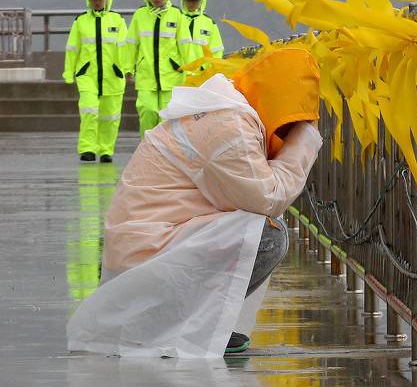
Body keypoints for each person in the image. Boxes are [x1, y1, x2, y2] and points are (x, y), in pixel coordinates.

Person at [67, 47, 323, 357]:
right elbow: (267, 199)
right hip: (147, 258)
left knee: (262, 229)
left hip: (142, 250)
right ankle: (180, 325)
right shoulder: (228, 126)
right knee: (268, 235)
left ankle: (193, 322)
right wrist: (304, 141)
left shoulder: (223, 112)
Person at [63, 0, 128, 162]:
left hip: (113, 76)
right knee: (89, 111)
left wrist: (128, 69)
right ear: (88, 0)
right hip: (87, 76)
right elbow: (72, 48)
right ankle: (87, 149)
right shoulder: (80, 21)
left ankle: (106, 150)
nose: (96, 1)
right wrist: (69, 73)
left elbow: (126, 49)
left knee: (110, 116)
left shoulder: (118, 20)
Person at [124, 0, 185, 137]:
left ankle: (166, 152)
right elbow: (131, 44)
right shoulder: (140, 15)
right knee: (148, 111)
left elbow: (186, 45)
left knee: (168, 117)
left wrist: (191, 69)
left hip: (172, 76)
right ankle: (147, 148)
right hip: (146, 75)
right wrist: (128, 68)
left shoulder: (177, 15)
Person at [177, 0, 224, 69]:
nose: (191, 3)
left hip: (201, 75)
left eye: (194, 0)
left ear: (201, 1)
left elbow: (216, 51)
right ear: (183, 0)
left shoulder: (209, 23)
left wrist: (211, 71)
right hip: (179, 73)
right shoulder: (177, 19)